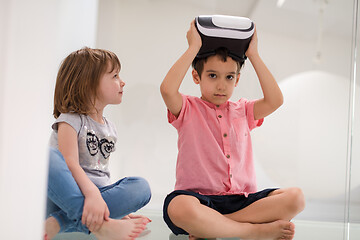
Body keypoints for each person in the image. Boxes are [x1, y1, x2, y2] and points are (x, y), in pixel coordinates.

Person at [160, 20, 305, 240]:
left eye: (229, 77)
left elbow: (276, 100)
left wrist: (253, 54)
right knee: (178, 207)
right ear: (196, 77)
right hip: (199, 201)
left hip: (243, 200)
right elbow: (167, 89)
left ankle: (213, 227)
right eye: (212, 75)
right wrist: (193, 48)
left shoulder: (244, 110)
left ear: (237, 80)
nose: (221, 85)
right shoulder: (188, 108)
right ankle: (252, 231)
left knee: (296, 198)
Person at [45, 47, 152, 240]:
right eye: (115, 76)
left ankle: (60, 222)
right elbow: (70, 163)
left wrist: (114, 206)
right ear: (89, 83)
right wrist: (93, 195)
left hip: (96, 196)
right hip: (65, 197)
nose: (122, 82)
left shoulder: (110, 127)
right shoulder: (69, 120)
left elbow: (100, 173)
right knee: (48, 157)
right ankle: (101, 226)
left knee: (141, 187)